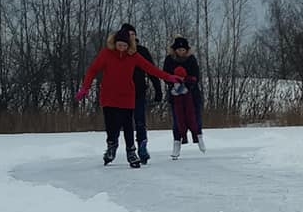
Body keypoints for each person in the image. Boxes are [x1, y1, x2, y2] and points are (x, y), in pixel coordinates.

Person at [75, 28, 179, 168]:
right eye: (119, 45)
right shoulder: (106, 54)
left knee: (128, 125)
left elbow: (150, 69)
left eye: (125, 45)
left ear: (129, 45)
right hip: (109, 96)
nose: (122, 48)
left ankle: (131, 151)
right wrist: (85, 87)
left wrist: (168, 77)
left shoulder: (133, 56)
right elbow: (93, 69)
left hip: (127, 96)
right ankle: (112, 146)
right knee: (111, 125)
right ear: (114, 43)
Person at [119, 23, 163, 164]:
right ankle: (119, 147)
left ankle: (142, 146)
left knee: (140, 121)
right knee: (124, 123)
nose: (131, 37)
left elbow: (152, 70)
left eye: (133, 34)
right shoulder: (118, 53)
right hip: (122, 94)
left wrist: (158, 89)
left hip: (139, 92)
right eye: (128, 34)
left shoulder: (142, 51)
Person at [162, 36, 205, 158]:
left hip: (192, 94)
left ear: (187, 50)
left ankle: (198, 136)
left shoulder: (191, 59)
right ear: (174, 50)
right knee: (177, 120)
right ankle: (177, 142)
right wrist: (174, 84)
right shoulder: (169, 60)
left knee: (195, 117)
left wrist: (187, 85)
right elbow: (165, 74)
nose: (181, 52)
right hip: (175, 95)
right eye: (179, 50)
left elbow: (196, 75)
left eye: (183, 50)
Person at [169, 66, 202, 157]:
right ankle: (183, 137)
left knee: (192, 120)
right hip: (178, 105)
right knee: (180, 121)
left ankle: (195, 136)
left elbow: (194, 79)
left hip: (189, 104)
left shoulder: (189, 82)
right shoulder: (174, 84)